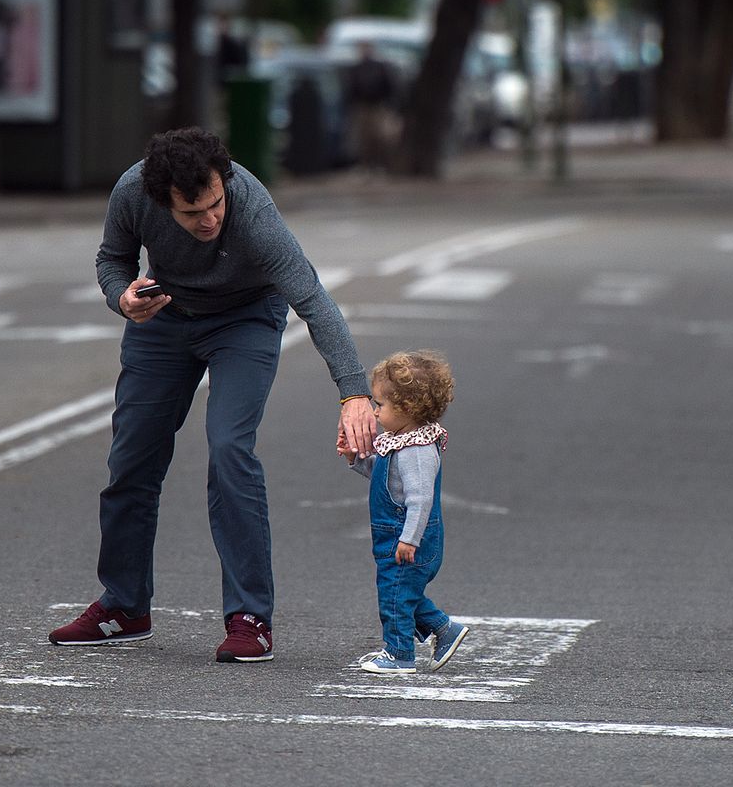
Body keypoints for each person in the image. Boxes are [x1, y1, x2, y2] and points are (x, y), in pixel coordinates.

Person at [50, 127, 378, 663]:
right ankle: (124, 606)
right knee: (131, 457)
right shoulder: (132, 191)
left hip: (245, 320)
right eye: (191, 212)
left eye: (214, 203)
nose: (209, 219)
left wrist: (354, 394)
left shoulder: (250, 208)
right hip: (164, 319)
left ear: (223, 183)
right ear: (161, 200)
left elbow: (313, 300)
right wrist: (121, 297)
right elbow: (112, 261)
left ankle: (250, 618)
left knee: (229, 448)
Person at [341, 349, 471, 675]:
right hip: (394, 536)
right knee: (403, 593)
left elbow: (420, 499)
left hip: (409, 539)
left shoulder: (417, 450)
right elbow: (386, 478)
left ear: (407, 407)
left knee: (395, 596)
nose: (374, 410)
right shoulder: (399, 440)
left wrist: (410, 539)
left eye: (380, 404)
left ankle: (399, 653)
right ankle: (445, 630)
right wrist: (356, 459)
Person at [344, 42, 398, 173]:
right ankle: (365, 164)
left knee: (379, 137)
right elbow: (350, 89)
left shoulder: (379, 68)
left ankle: (379, 164)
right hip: (362, 107)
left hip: (377, 106)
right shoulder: (356, 68)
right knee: (363, 138)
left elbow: (390, 86)